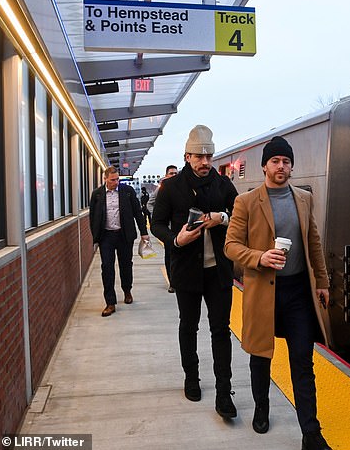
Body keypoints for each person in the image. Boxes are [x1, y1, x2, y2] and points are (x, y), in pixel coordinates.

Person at [224, 136, 332, 450]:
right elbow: (230, 246)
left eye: (286, 161)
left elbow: (313, 242)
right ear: (265, 166)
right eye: (275, 161)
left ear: (291, 166)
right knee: (261, 357)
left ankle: (311, 433)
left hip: (298, 292)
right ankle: (262, 407)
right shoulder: (246, 201)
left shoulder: (303, 198)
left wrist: (322, 282)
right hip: (263, 293)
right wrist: (259, 257)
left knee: (302, 361)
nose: (281, 166)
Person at [151, 125, 239, 419]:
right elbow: (157, 223)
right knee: (188, 326)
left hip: (218, 272)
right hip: (187, 270)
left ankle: (224, 392)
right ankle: (191, 377)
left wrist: (222, 217)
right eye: (199, 157)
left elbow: (239, 213)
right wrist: (176, 239)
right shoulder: (171, 188)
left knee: (220, 330)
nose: (205, 163)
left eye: (209, 157)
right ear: (187, 156)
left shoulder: (223, 184)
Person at [89, 166, 149, 317]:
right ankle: (110, 302)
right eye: (112, 180)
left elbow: (138, 213)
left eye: (117, 179)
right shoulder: (97, 194)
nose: (116, 182)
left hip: (124, 235)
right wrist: (95, 237)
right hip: (106, 237)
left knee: (126, 264)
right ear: (105, 179)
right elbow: (93, 217)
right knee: (107, 267)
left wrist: (144, 232)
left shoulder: (127, 191)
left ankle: (127, 290)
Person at [147, 164, 178, 292]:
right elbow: (150, 204)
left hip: (180, 227)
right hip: (168, 229)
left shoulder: (181, 188)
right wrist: (159, 217)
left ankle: (179, 280)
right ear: (166, 175)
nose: (173, 176)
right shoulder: (162, 188)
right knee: (169, 255)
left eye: (176, 173)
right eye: (171, 173)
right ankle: (172, 283)